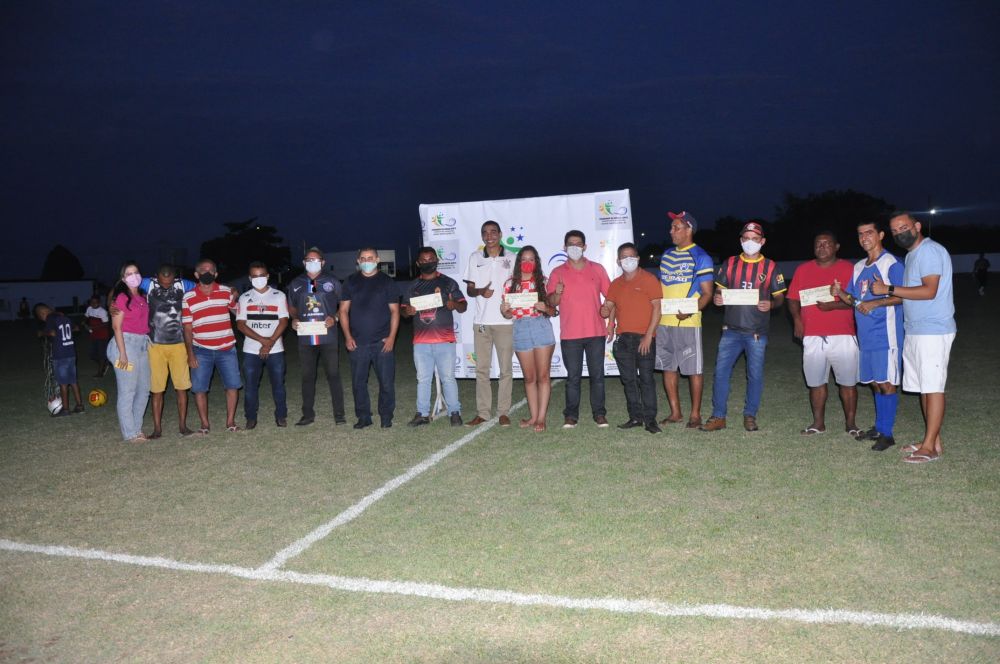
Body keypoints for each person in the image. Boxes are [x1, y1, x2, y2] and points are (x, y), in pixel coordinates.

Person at [870, 212, 956, 463]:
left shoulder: (929, 251)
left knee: (933, 387)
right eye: (895, 231)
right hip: (916, 329)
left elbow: (929, 291)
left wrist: (888, 288)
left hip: (933, 330)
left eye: (904, 227)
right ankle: (933, 441)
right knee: (922, 388)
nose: (899, 233)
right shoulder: (912, 255)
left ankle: (929, 448)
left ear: (918, 226)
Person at [701, 221, 786, 432]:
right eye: (746, 238)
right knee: (721, 373)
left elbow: (780, 298)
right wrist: (717, 299)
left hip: (756, 332)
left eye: (755, 239)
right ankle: (719, 416)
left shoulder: (771, 266)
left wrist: (772, 304)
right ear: (741, 240)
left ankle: (750, 415)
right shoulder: (729, 264)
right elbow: (719, 292)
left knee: (755, 375)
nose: (750, 242)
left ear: (762, 241)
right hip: (730, 331)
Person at [831, 220, 904, 451]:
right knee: (874, 382)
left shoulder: (891, 263)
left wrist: (876, 304)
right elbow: (855, 300)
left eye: (869, 233)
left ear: (881, 235)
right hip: (866, 337)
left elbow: (904, 296)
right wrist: (840, 293)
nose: (864, 238)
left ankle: (888, 433)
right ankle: (879, 427)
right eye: (860, 234)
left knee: (886, 383)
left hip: (886, 334)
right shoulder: (860, 266)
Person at [787, 232, 859, 437]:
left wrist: (833, 306)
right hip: (813, 335)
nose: (822, 247)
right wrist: (797, 320)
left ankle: (851, 424)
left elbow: (857, 301)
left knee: (848, 382)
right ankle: (818, 423)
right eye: (818, 244)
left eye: (827, 243)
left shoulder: (849, 269)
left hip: (843, 335)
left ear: (837, 247)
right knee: (816, 382)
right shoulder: (803, 269)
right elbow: (792, 298)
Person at [546, 230, 612, 429]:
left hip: (596, 332)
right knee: (573, 378)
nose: (575, 247)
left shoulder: (597, 269)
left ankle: (599, 414)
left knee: (597, 376)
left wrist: (610, 321)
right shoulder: (557, 272)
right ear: (564, 248)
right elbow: (552, 303)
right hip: (570, 334)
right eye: (570, 244)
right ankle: (571, 415)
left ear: (585, 247)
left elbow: (610, 297)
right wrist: (557, 293)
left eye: (578, 243)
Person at [656, 211, 714, 428]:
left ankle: (695, 414)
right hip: (665, 323)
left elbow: (707, 294)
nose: (671, 231)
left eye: (676, 227)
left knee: (693, 370)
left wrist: (689, 311)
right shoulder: (666, 255)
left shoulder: (701, 256)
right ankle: (675, 413)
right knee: (667, 368)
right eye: (671, 227)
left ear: (689, 229)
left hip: (687, 323)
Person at [402, 247, 467, 427]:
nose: (427, 262)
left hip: (444, 339)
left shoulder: (448, 283)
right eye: (423, 260)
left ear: (437, 260)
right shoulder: (413, 286)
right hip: (421, 341)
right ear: (418, 264)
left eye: (431, 259)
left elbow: (463, 306)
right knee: (423, 379)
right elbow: (404, 311)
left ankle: (455, 412)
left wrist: (453, 303)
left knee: (448, 378)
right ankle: (422, 413)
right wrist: (407, 311)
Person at [601, 242, 662, 433]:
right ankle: (635, 417)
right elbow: (610, 306)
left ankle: (651, 420)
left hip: (644, 338)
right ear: (618, 261)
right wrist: (608, 319)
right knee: (628, 381)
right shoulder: (616, 283)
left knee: (646, 380)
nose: (628, 260)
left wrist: (649, 336)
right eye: (624, 257)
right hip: (623, 339)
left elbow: (657, 308)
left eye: (631, 256)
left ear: (637, 258)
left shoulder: (649, 279)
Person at [339, 248, 400, 429]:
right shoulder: (350, 282)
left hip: (382, 342)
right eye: (363, 258)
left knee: (387, 383)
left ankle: (386, 416)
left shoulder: (387, 282)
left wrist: (391, 338)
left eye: (370, 258)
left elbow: (395, 311)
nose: (367, 261)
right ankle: (364, 416)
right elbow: (343, 311)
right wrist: (347, 336)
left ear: (378, 259)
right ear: (358, 261)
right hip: (358, 343)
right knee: (358, 383)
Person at [462, 220, 515, 427]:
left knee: (505, 370)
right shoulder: (475, 257)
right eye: (485, 232)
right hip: (481, 322)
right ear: (482, 236)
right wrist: (480, 291)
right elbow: (469, 290)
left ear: (500, 234)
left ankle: (503, 412)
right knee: (482, 370)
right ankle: (483, 413)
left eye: (493, 232)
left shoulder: (512, 258)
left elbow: (519, 288)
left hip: (505, 323)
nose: (489, 235)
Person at [500, 246, 556, 432]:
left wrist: (544, 308)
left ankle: (541, 418)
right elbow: (509, 314)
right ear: (518, 262)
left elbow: (553, 311)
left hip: (540, 326)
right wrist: (504, 311)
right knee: (530, 378)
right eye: (524, 259)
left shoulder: (544, 282)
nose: (527, 263)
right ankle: (533, 417)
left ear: (536, 262)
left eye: (531, 259)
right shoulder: (510, 284)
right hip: (521, 328)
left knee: (543, 376)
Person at [287, 248, 346, 426]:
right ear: (304, 262)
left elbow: (343, 306)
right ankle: (307, 415)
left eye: (315, 259)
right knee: (307, 376)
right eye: (308, 259)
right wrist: (294, 319)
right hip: (306, 337)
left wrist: (334, 317)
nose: (312, 261)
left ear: (323, 262)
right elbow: (291, 306)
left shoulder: (332, 281)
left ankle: (339, 414)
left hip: (328, 336)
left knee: (333, 374)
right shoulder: (296, 283)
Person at [182, 258, 241, 434]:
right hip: (201, 349)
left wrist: (235, 297)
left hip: (227, 348)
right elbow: (187, 328)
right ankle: (205, 424)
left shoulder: (225, 291)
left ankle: (230, 422)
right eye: (203, 270)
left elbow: (237, 312)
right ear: (196, 274)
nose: (207, 273)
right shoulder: (188, 297)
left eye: (210, 270)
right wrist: (190, 354)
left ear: (216, 273)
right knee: (199, 388)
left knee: (232, 385)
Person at [142, 264, 196, 438]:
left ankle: (183, 426)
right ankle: (157, 429)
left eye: (169, 282)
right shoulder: (148, 284)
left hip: (179, 344)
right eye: (163, 282)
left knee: (181, 388)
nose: (166, 285)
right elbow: (124, 283)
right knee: (157, 390)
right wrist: (113, 301)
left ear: (175, 278)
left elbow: (206, 286)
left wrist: (230, 289)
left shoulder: (183, 284)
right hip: (155, 345)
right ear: (156, 276)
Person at [236, 262, 289, 429]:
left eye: (262, 276)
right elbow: (241, 325)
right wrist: (263, 341)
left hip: (276, 348)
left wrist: (270, 341)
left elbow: (284, 320)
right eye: (255, 276)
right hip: (251, 349)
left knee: (278, 384)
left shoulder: (279, 295)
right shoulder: (244, 298)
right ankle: (251, 417)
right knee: (251, 386)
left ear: (267, 276)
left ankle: (281, 416)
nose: (259, 279)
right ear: (250, 278)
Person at [107, 262, 151, 441]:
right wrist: (123, 353)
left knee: (144, 390)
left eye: (136, 272)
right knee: (127, 391)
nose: (134, 276)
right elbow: (116, 327)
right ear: (123, 279)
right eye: (129, 273)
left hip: (142, 344)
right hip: (125, 344)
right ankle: (130, 434)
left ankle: (137, 428)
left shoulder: (142, 297)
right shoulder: (121, 298)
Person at [34, 302, 85, 416]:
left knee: (63, 383)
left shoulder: (50, 318)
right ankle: (80, 406)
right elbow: (76, 328)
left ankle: (65, 410)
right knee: (73, 381)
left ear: (42, 313)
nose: (43, 319)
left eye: (40, 317)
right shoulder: (64, 316)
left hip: (60, 355)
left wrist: (41, 333)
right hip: (71, 353)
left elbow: (51, 332)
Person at [84, 295, 111, 378]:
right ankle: (104, 364)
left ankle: (100, 373)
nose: (93, 304)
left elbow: (106, 324)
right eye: (91, 302)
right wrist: (85, 323)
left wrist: (93, 327)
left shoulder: (102, 312)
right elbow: (86, 316)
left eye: (95, 302)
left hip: (102, 336)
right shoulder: (89, 309)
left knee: (101, 354)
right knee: (92, 355)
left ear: (99, 303)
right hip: (93, 335)